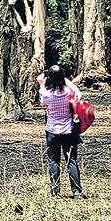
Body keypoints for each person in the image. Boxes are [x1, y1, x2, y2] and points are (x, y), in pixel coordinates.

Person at [37, 65, 85, 199]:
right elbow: (78, 93)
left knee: (53, 161)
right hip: (68, 131)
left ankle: (55, 191)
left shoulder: (46, 93)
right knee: (71, 161)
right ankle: (76, 192)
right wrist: (65, 81)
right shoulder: (68, 92)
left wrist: (41, 84)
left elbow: (42, 103)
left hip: (52, 130)